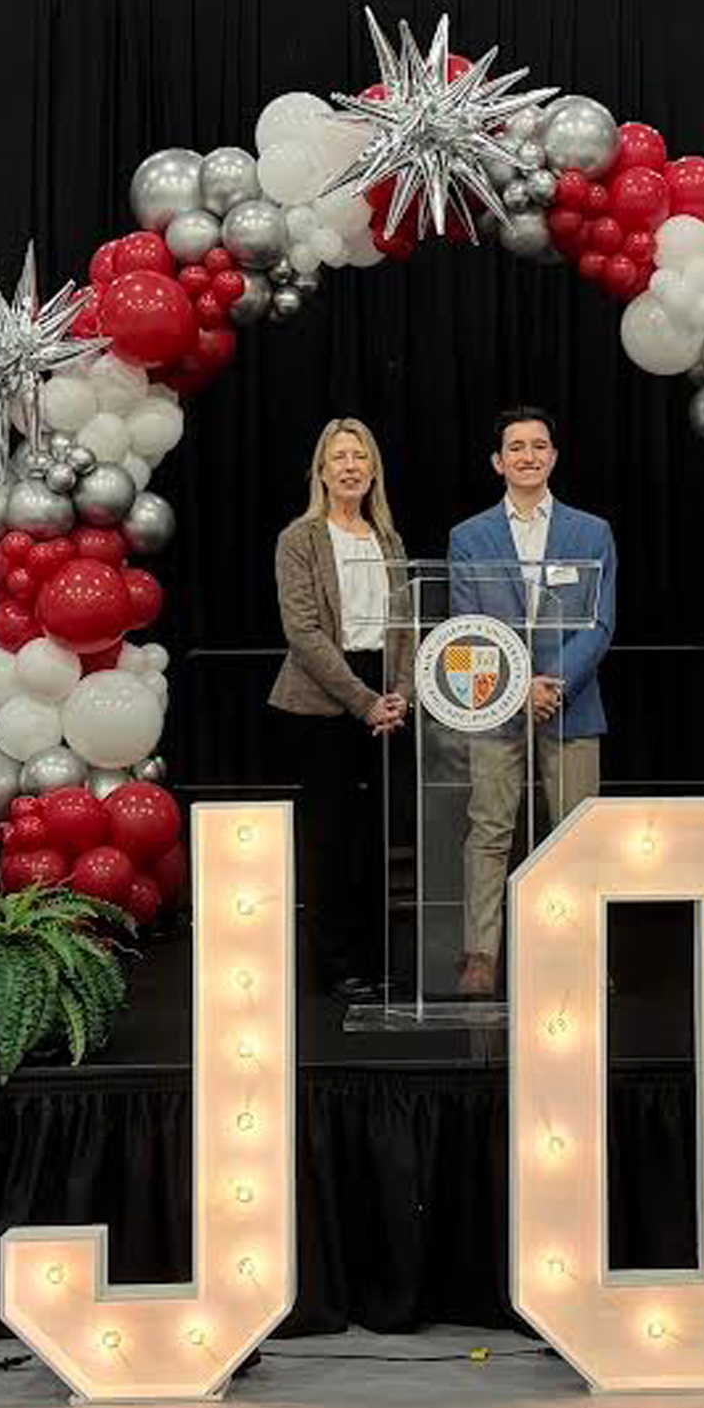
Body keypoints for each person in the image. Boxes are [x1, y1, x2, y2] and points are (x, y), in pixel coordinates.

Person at [447, 406, 616, 998]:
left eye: (538, 446)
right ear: (498, 462)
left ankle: (575, 950)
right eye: (515, 447)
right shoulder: (468, 537)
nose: (527, 455)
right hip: (495, 707)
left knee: (575, 835)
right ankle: (480, 957)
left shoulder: (591, 532)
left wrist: (552, 683)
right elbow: (465, 626)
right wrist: (518, 687)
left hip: (572, 704)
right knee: (490, 830)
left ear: (553, 456)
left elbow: (599, 623)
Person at [268, 418, 413, 993]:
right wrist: (364, 701)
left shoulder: (389, 539)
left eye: (360, 457)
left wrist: (399, 693)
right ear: (321, 472)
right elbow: (303, 633)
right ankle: (335, 967)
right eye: (339, 458)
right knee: (331, 839)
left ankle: (376, 962)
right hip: (324, 698)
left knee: (378, 839)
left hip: (386, 693)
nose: (350, 466)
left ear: (373, 469)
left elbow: (405, 623)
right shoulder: (299, 538)